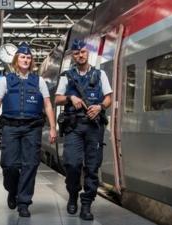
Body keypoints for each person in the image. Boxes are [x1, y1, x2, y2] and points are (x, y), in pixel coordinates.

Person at [0, 43, 56, 217]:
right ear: (16, 60)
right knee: (9, 165)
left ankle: (24, 202)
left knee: (30, 165)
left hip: (32, 128)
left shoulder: (39, 81)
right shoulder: (5, 80)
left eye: (29, 57)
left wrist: (53, 128)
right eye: (23, 57)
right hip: (10, 128)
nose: (26, 59)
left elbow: (47, 105)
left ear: (32, 62)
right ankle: (12, 189)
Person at [55, 39, 113, 220]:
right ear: (73, 56)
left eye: (83, 52)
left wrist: (100, 107)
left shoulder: (100, 74)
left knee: (92, 167)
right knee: (72, 163)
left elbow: (108, 98)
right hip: (74, 126)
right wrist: (70, 97)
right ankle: (73, 194)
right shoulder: (67, 76)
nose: (80, 55)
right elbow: (57, 99)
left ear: (88, 53)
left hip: (94, 127)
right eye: (76, 53)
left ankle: (86, 203)